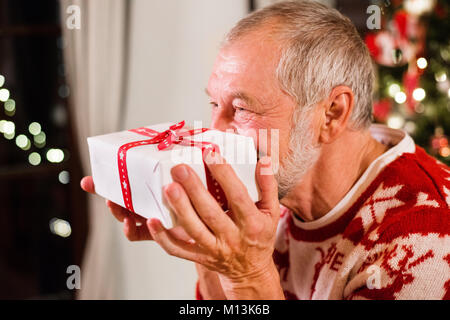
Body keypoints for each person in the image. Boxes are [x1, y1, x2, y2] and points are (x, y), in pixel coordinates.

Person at [81, 1, 450, 300]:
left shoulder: (424, 240)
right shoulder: (272, 185)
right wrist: (209, 251)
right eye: (214, 104)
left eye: (241, 109)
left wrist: (249, 275)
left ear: (331, 114)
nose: (215, 131)